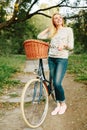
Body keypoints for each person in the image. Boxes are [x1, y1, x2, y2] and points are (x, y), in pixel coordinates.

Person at [37, 13, 74, 115]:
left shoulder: (68, 30)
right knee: (53, 83)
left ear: (62, 19)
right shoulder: (52, 32)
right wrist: (49, 28)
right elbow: (39, 36)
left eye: (59, 18)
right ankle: (58, 105)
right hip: (51, 58)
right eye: (55, 18)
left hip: (62, 59)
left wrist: (64, 45)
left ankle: (63, 104)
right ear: (53, 21)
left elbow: (71, 46)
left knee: (57, 83)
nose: (58, 19)